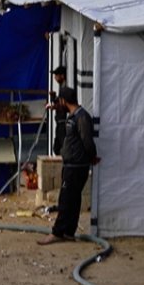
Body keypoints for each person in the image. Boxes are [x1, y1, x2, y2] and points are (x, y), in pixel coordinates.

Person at [38, 87, 98, 245]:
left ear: (64, 100)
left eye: (60, 101)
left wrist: (92, 157)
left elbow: (87, 141)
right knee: (73, 200)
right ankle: (69, 232)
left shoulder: (81, 117)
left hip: (76, 167)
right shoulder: (72, 116)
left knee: (66, 200)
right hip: (71, 164)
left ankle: (58, 232)